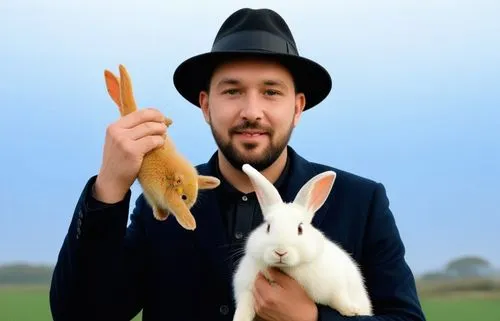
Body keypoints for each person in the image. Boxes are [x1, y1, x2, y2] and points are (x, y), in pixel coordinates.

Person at [49, 7, 427, 321]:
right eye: (232, 91)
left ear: (297, 108)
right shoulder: (164, 205)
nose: (251, 112)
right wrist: (109, 189)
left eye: (270, 92)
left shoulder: (359, 202)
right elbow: (80, 314)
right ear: (205, 105)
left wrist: (312, 318)